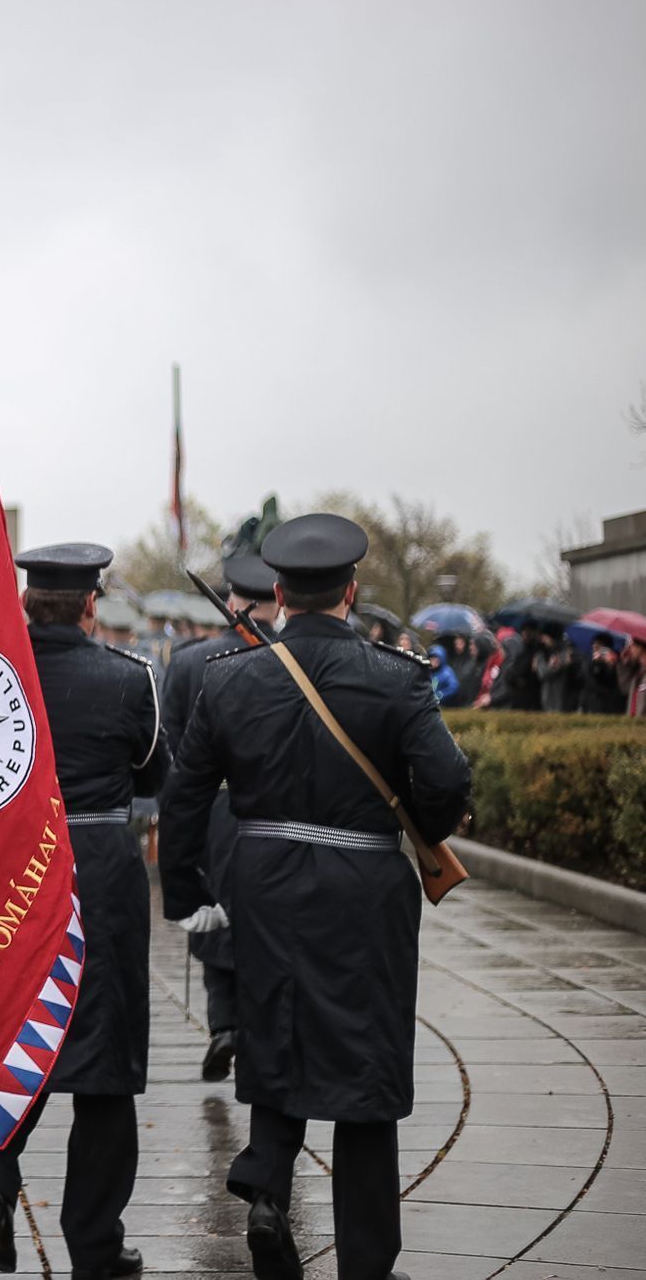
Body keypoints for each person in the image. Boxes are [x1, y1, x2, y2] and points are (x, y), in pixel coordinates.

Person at [159, 513, 471, 1280]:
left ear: (280, 595)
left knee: (276, 1028)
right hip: (364, 886)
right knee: (363, 1063)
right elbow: (446, 784)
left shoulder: (230, 676)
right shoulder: (396, 675)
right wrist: (427, 824)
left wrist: (187, 888)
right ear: (351, 591)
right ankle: (366, 1261)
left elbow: (185, 793)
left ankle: (266, 1183)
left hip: (262, 880)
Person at [0, 543, 167, 1280]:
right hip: (99, 876)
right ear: (91, 605)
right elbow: (156, 771)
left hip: (10, 871)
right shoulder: (130, 679)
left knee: (10, 1043)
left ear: (27, 603)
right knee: (104, 1064)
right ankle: (94, 1241)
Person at [158, 552, 277, 1087]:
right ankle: (252, 1030)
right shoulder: (287, 657)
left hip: (207, 808)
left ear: (232, 600)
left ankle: (223, 1023)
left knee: (211, 915)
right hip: (266, 809)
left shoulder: (187, 663)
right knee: (259, 924)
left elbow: (174, 745)